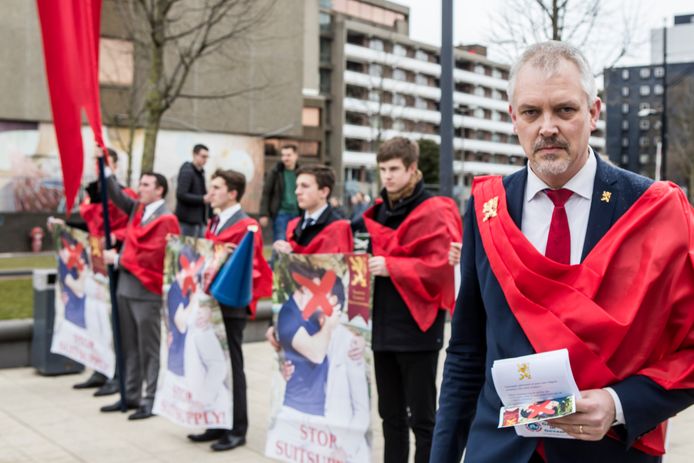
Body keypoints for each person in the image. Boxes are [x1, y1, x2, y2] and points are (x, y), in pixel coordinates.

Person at [430, 41, 694, 463]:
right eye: (532, 112)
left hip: (607, 452)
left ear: (593, 112)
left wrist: (619, 404)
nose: (547, 127)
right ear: (513, 117)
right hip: (498, 451)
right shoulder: (486, 208)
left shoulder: (652, 210)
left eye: (565, 110)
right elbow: (466, 350)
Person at [358, 136, 462, 463]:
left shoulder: (434, 209)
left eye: (393, 169)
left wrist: (393, 266)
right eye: (382, 170)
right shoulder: (377, 211)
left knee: (423, 419)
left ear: (412, 169)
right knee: (390, 416)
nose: (386, 176)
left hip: (418, 329)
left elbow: (442, 268)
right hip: (383, 328)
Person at [186, 169, 273, 451]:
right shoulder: (216, 221)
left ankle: (237, 429)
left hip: (231, 303)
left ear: (232, 193)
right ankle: (216, 421)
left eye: (216, 188)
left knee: (232, 366)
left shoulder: (247, 225)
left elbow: (251, 264)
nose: (210, 193)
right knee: (213, 363)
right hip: (211, 302)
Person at [100, 164, 181, 420]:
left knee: (148, 348)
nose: (140, 188)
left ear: (160, 191)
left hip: (147, 290)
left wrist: (119, 258)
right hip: (125, 286)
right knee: (128, 345)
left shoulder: (167, 219)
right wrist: (104, 169)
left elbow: (155, 255)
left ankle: (152, 398)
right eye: (140, 183)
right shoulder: (138, 210)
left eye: (146, 185)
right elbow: (116, 196)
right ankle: (130, 393)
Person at [272, 165, 353, 255]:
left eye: (305, 186)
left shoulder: (339, 229)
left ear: (324, 192)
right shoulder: (294, 225)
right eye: (297, 186)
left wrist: (293, 255)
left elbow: (337, 267)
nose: (297, 192)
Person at [259, 143, 300, 243]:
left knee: (294, 242)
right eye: (283, 155)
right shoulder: (275, 172)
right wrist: (264, 214)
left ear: (296, 156)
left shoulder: (301, 172)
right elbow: (266, 193)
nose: (285, 158)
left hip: (297, 213)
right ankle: (275, 259)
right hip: (281, 213)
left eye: (288, 155)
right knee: (280, 241)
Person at [175, 143, 210, 237]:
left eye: (207, 157)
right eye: (203, 156)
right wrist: (202, 199)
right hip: (187, 222)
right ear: (194, 154)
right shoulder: (187, 171)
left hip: (198, 221)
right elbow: (181, 194)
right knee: (185, 251)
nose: (205, 160)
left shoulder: (200, 172)